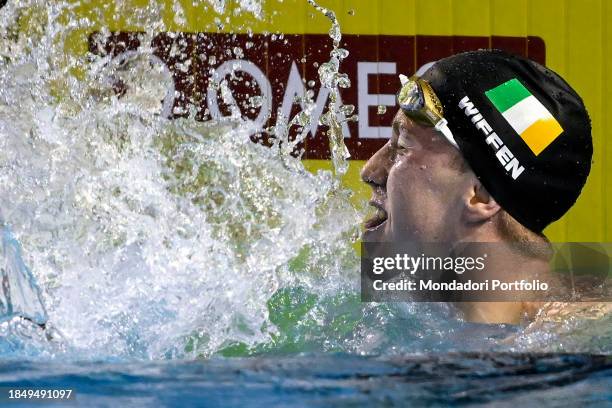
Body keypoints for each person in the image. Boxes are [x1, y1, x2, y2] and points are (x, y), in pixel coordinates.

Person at [361, 49, 593, 324]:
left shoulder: (574, 341)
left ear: (479, 196)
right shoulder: (412, 316)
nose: (370, 171)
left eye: (401, 148)